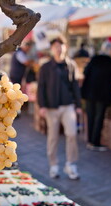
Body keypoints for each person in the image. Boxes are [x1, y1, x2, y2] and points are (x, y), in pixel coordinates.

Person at [37, 37, 82, 180]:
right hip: (51, 106)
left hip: (68, 105)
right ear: (52, 49)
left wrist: (79, 105)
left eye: (61, 45)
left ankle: (71, 164)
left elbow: (75, 85)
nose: (58, 48)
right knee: (53, 137)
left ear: (65, 47)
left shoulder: (70, 64)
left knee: (72, 133)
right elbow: (41, 87)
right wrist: (42, 105)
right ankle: (53, 165)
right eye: (55, 46)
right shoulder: (45, 67)